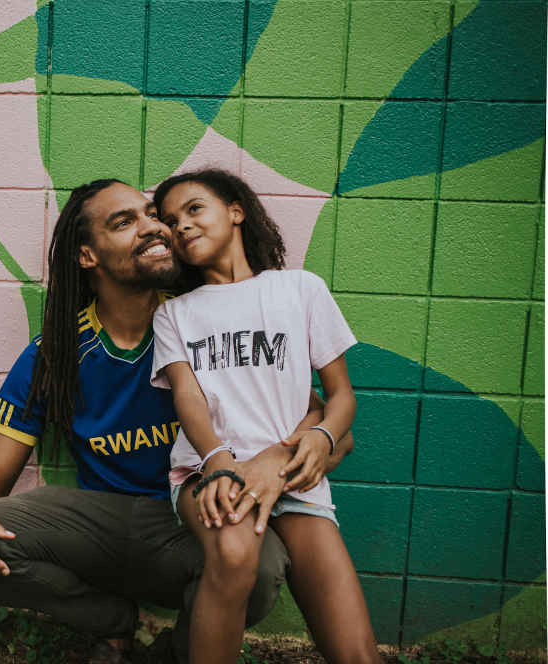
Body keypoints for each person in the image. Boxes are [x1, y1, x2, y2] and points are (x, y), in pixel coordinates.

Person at [0, 179, 353, 664]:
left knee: (259, 566)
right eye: (124, 222)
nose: (154, 227)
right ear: (87, 256)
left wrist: (290, 452)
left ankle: (181, 653)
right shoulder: (56, 354)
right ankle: (111, 620)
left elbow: (332, 431)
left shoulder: (200, 328)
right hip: (98, 526)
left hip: (190, 523)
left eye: (153, 215)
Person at [150, 169, 381, 664]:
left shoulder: (301, 290)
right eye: (169, 221)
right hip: (212, 473)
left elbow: (341, 395)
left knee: (357, 653)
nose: (180, 225)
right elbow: (187, 397)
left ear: (236, 211)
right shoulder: (173, 314)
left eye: (194, 208)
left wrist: (321, 436)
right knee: (234, 553)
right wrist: (217, 460)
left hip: (295, 477)